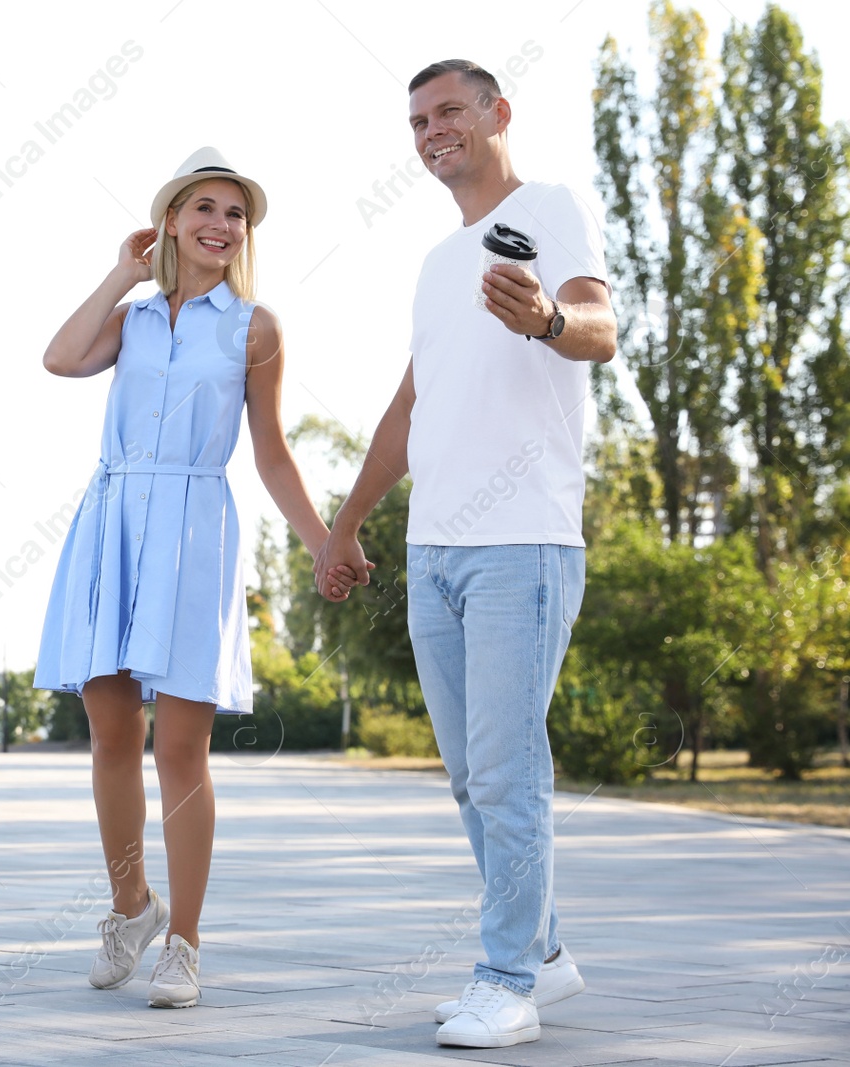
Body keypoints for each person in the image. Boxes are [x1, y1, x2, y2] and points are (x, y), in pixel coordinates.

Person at [314, 60, 617, 1049]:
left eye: (448, 110)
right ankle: (547, 951)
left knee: (506, 768)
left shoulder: (543, 209)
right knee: (467, 774)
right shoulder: (439, 263)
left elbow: (599, 327)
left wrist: (546, 319)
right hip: (434, 547)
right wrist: (348, 522)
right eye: (416, 120)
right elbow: (410, 406)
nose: (430, 130)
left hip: (519, 540)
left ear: (497, 113)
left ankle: (505, 981)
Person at [35, 147, 356, 1008]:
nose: (222, 225)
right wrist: (117, 274)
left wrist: (328, 540)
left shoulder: (254, 326)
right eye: (204, 209)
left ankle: (185, 942)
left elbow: (273, 450)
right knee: (107, 734)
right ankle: (130, 907)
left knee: (180, 747)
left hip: (195, 529)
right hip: (113, 521)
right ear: (171, 220)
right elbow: (60, 360)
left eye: (235, 214)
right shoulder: (133, 319)